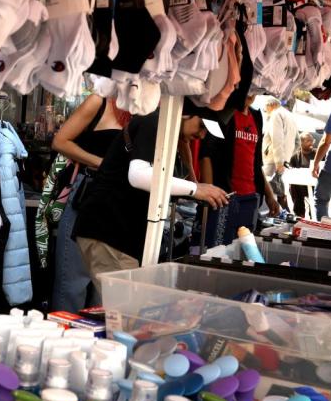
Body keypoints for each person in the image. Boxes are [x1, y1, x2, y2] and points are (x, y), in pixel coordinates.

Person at [73, 100, 228, 291]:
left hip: (120, 233)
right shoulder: (153, 123)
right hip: (108, 229)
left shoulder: (166, 132)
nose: (202, 135)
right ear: (187, 114)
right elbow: (138, 176)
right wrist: (195, 189)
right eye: (202, 126)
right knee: (127, 308)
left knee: (126, 308)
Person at [49, 92, 128, 313]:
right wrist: (103, 163)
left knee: (104, 295)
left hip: (121, 204)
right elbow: (60, 141)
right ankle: (61, 343)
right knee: (71, 286)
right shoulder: (100, 101)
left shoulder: (146, 107)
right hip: (89, 196)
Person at [200, 96, 281, 217]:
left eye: (254, 90)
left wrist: (269, 196)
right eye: (247, 88)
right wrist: (209, 196)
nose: (250, 93)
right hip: (224, 197)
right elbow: (206, 154)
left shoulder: (256, 116)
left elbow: (257, 162)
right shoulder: (223, 113)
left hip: (250, 200)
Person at [261, 97, 298, 211]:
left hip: (273, 160)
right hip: (282, 160)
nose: (266, 113)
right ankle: (282, 212)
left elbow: (277, 138)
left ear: (270, 106)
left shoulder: (276, 114)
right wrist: (286, 156)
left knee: (267, 193)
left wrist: (279, 161)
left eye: (265, 110)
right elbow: (297, 142)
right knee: (277, 190)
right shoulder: (290, 116)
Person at [288, 132, 316, 218]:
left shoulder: (317, 154)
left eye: (312, 140)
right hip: (300, 186)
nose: (311, 143)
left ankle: (313, 216)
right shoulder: (295, 157)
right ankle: (300, 215)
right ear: (301, 142)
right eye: (308, 141)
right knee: (293, 186)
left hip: (314, 184)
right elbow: (291, 173)